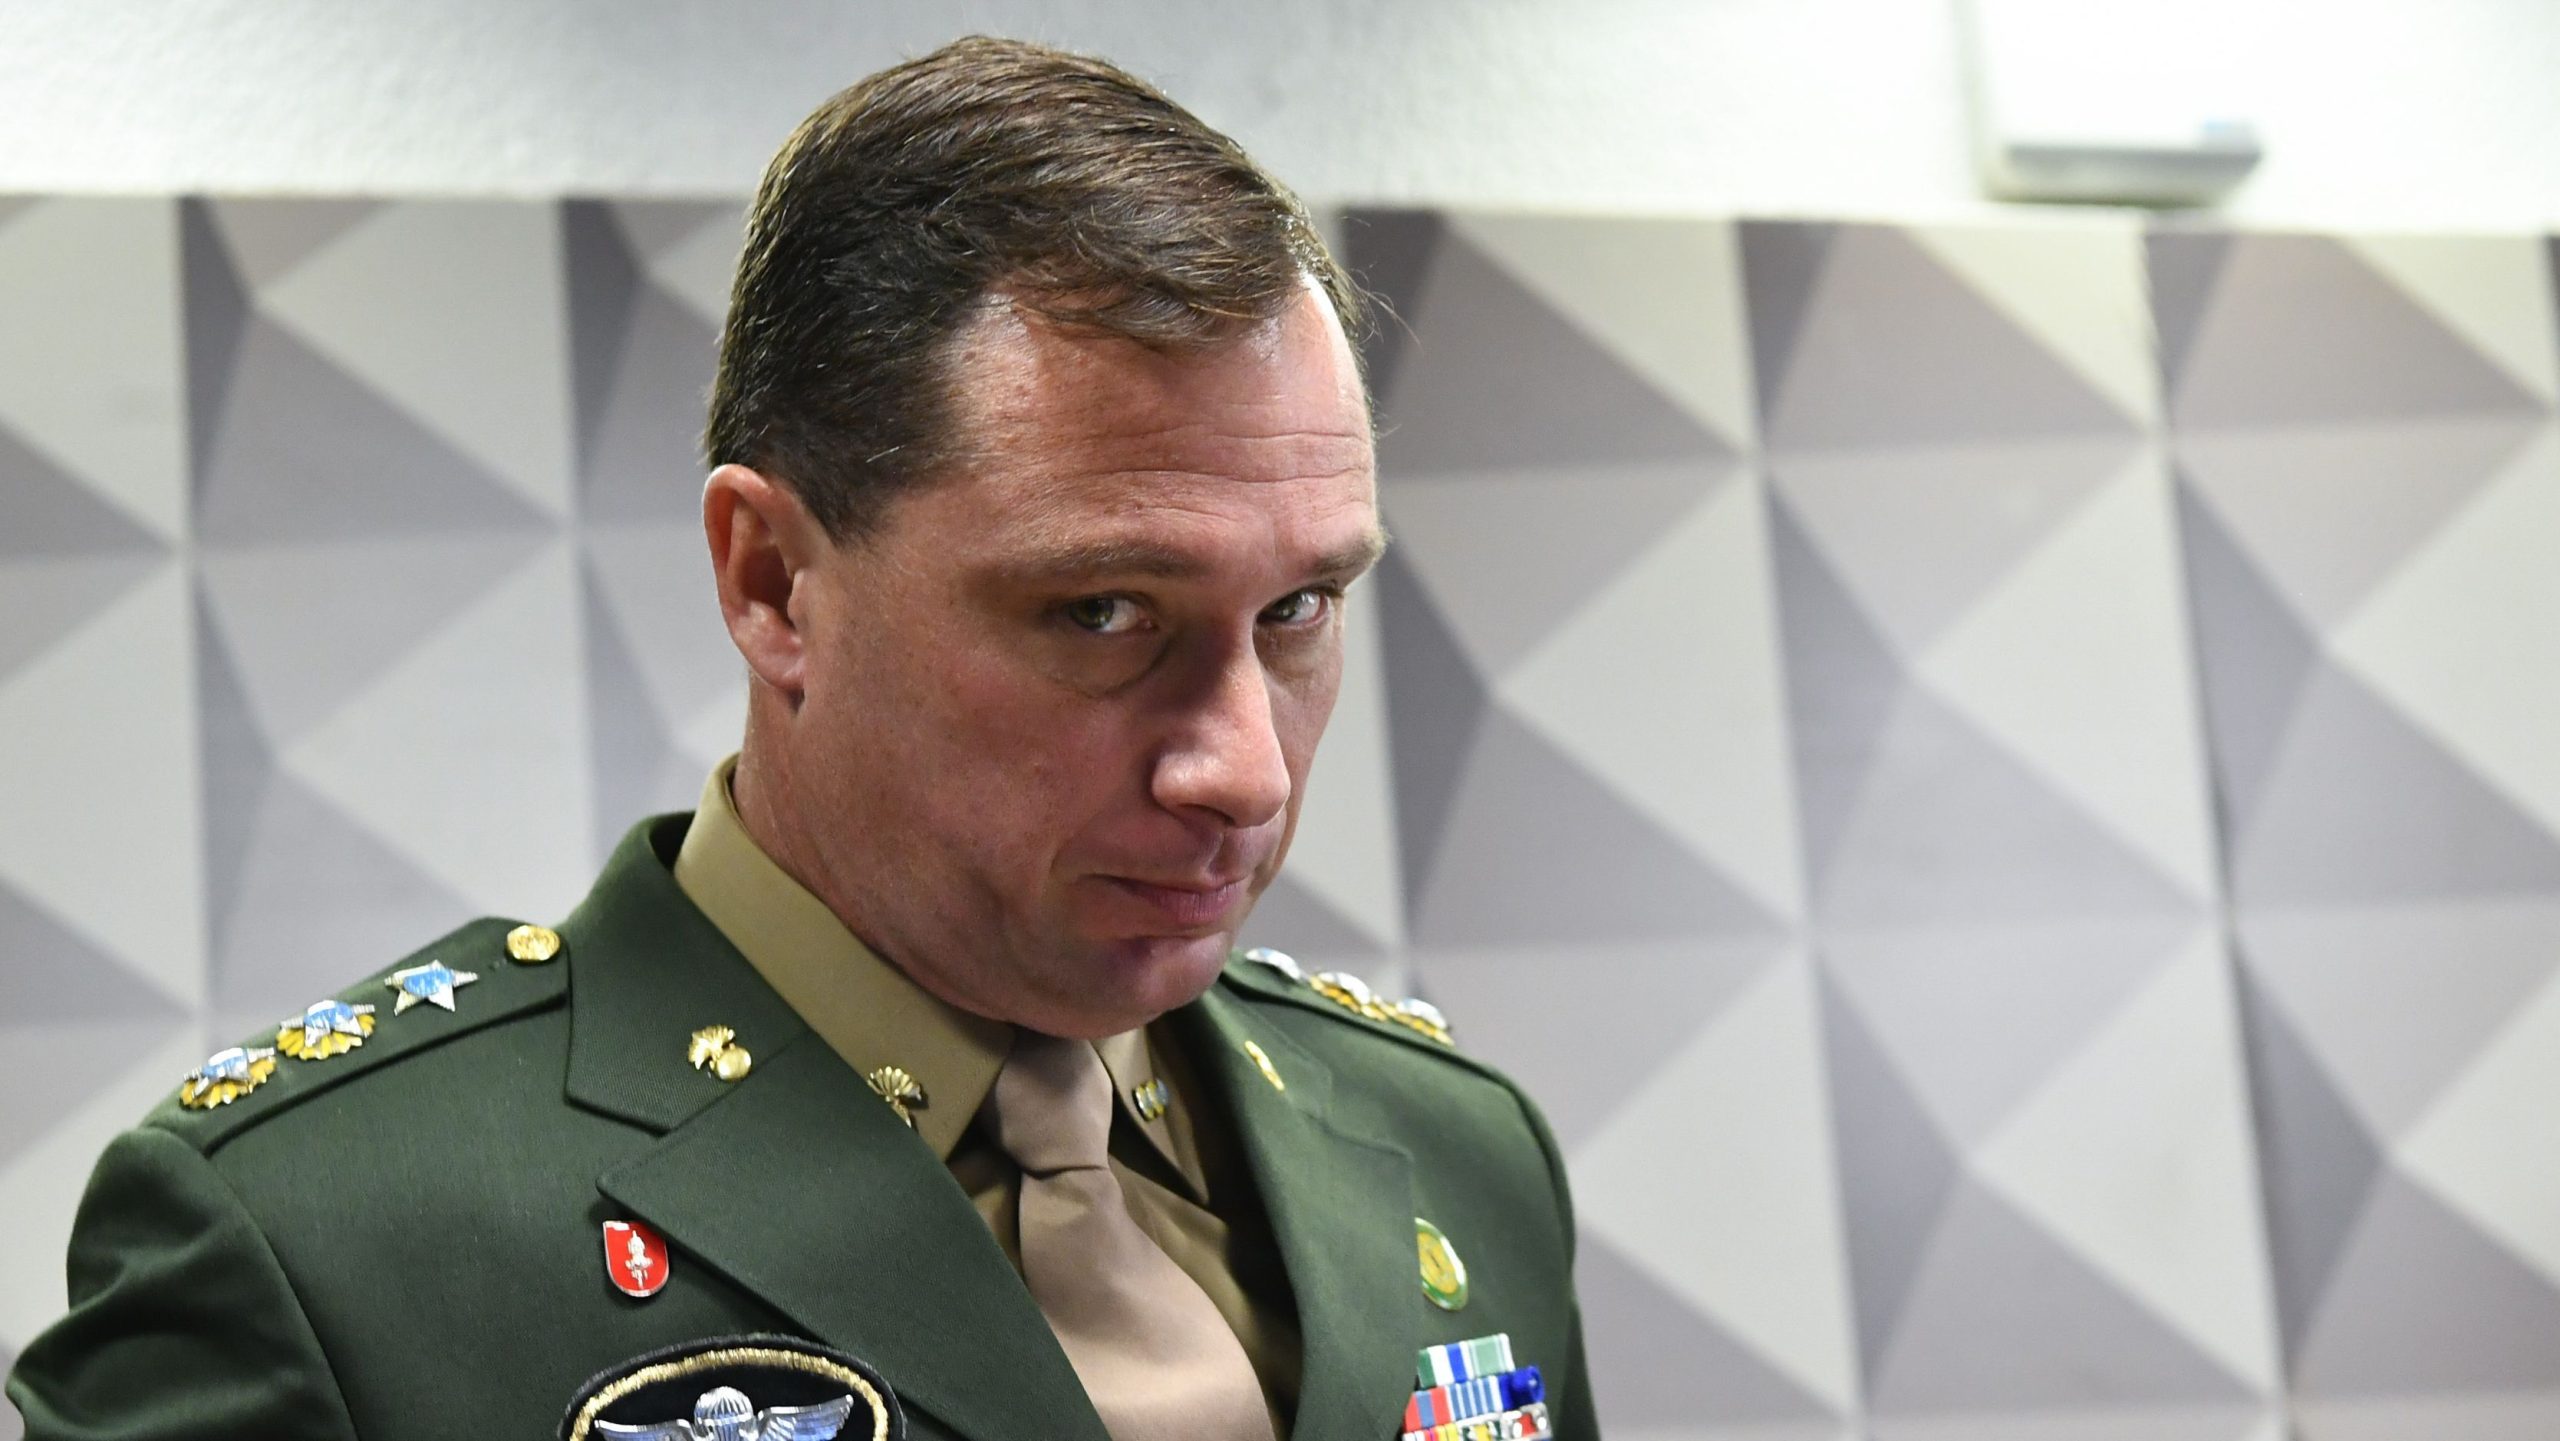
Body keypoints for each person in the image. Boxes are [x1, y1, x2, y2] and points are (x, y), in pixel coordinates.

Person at [7, 36, 1596, 1441]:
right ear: (774, 584)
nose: (1243, 767)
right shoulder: (323, 1241)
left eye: (1300, 608)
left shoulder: (1454, 1152)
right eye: (1104, 611)